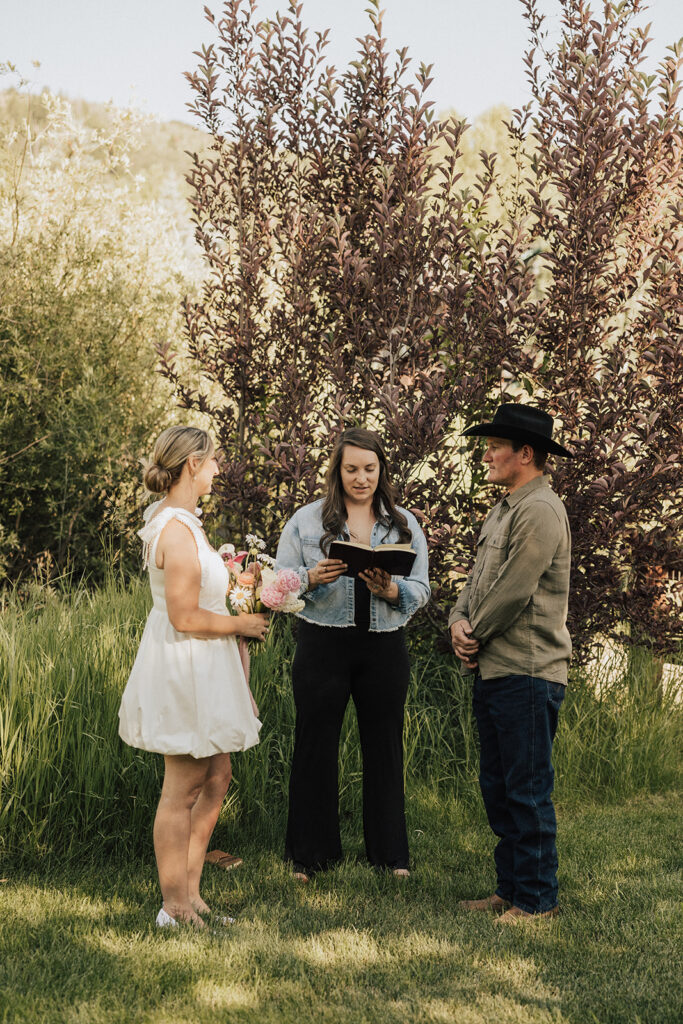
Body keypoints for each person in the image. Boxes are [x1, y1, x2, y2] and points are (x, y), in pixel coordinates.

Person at [118, 426, 269, 928]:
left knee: (218, 775)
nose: (219, 469)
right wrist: (241, 623)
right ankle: (174, 906)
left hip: (206, 661)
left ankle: (193, 891)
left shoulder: (186, 522)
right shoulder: (176, 530)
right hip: (185, 663)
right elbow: (183, 615)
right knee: (181, 788)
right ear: (191, 465)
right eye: (214, 461)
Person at [276, 428, 430, 881]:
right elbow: (277, 584)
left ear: (380, 470)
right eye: (351, 469)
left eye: (369, 468)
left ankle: (390, 857)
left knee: (384, 746)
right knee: (314, 745)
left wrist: (392, 587)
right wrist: (310, 578)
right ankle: (309, 855)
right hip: (322, 641)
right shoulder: (305, 521)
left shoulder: (404, 524)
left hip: (384, 645)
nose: (360, 478)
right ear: (337, 471)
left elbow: (421, 589)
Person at [449, 403, 573, 923]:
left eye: (495, 446)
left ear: (526, 454)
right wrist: (456, 620)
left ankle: (538, 900)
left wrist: (472, 633)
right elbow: (478, 582)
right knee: (499, 788)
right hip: (497, 670)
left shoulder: (540, 509)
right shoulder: (504, 508)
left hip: (528, 670)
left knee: (526, 790)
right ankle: (511, 888)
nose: (487, 454)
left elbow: (515, 590)